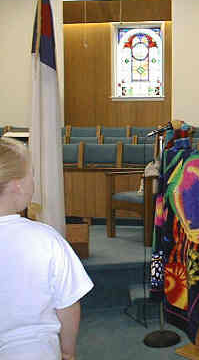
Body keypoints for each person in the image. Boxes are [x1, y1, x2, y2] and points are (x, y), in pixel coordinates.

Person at [0, 137, 94, 360]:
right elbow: (69, 305)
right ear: (18, 184)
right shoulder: (45, 239)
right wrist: (68, 352)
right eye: (31, 173)